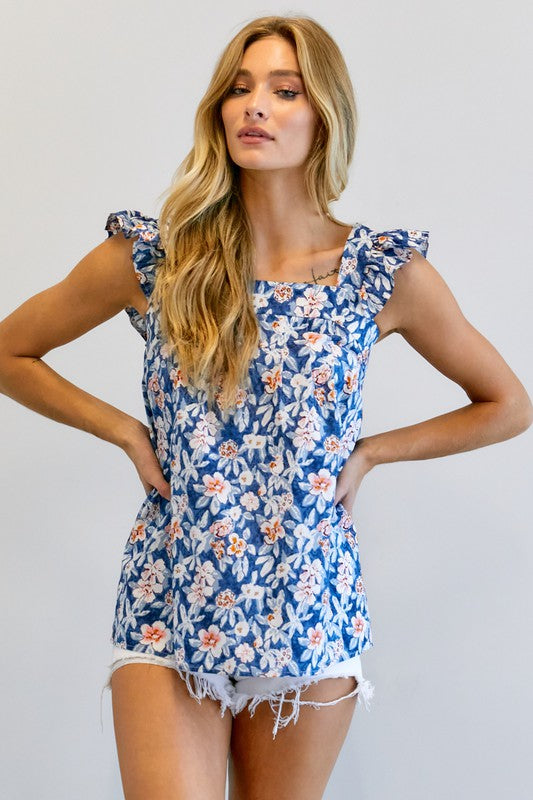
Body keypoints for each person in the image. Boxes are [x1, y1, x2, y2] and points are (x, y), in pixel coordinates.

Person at [1, 13, 531, 800]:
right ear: (218, 110)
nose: (256, 105)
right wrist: (125, 433)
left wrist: (373, 451)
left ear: (324, 116)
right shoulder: (154, 257)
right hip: (172, 590)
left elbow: (504, 404)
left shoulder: (377, 274)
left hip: (307, 601)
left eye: (285, 90)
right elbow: (11, 350)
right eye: (240, 88)